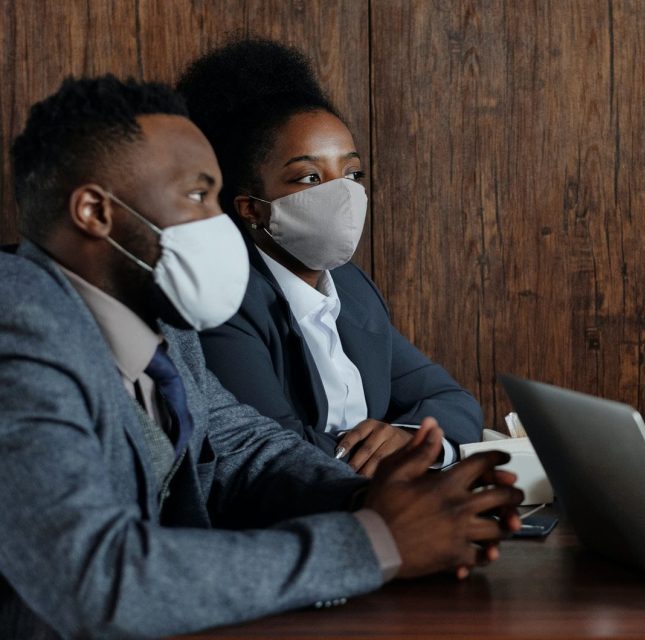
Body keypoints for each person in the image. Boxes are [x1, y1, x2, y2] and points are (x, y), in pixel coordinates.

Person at [0, 75, 522, 639]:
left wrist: (384, 499)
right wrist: (375, 541)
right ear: (95, 212)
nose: (219, 223)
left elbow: (242, 449)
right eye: (198, 196)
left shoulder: (159, 327)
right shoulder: (18, 331)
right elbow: (97, 581)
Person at [174, 39, 481, 478]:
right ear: (251, 208)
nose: (342, 193)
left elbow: (454, 400)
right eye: (310, 177)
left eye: (352, 173)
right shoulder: (225, 301)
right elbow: (273, 448)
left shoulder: (352, 288)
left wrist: (410, 439)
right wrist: (389, 459)